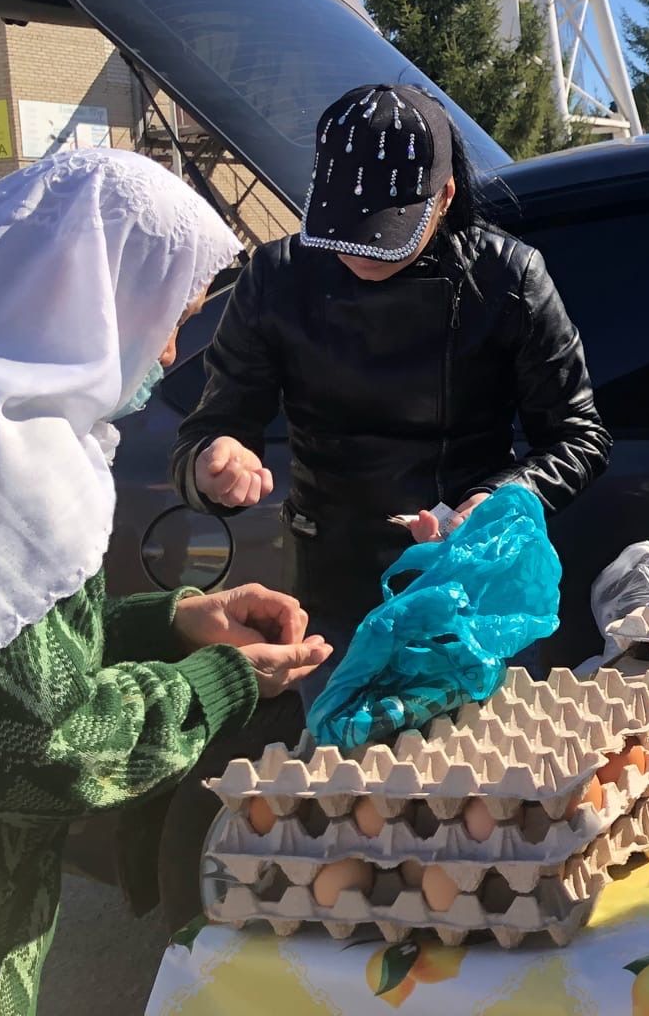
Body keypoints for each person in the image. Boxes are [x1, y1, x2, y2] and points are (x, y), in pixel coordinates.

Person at [0, 149, 330, 1016]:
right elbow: (38, 751)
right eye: (166, 313)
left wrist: (177, 623)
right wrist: (220, 681)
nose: (172, 347)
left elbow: (0, 653)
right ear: (87, 297)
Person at [172, 83, 612, 672]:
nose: (361, 252)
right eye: (345, 228)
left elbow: (580, 436)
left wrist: (505, 498)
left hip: (471, 583)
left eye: (387, 230)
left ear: (446, 195)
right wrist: (212, 461)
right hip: (330, 593)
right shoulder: (277, 277)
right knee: (343, 757)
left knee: (487, 758)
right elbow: (212, 425)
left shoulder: (508, 277)